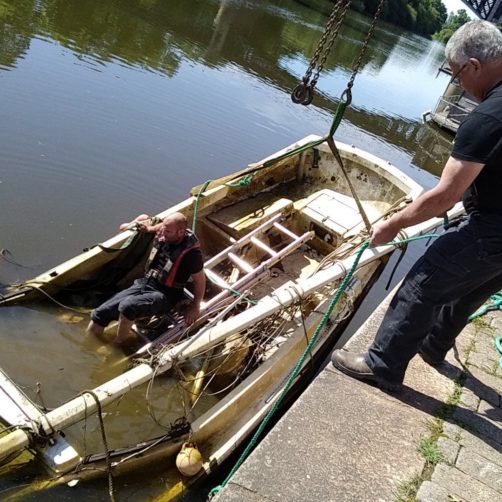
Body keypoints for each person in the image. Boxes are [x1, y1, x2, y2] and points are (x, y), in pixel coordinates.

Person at [331, 20, 502, 391]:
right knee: (471, 286)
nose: (457, 84)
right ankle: (433, 346)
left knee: (427, 280)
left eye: (456, 74)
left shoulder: (488, 118)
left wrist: (392, 226)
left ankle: (382, 365)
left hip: (495, 226)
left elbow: (444, 196)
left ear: (473, 65)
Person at [87, 212, 206, 346]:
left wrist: (195, 306)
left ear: (180, 232)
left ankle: (117, 344)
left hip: (166, 294)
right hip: (145, 282)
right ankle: (87, 345)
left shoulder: (191, 254)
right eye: (163, 229)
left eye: (167, 231)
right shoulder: (165, 231)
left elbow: (200, 280)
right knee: (100, 313)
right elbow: (160, 225)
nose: (163, 233)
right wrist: (149, 229)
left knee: (128, 307)